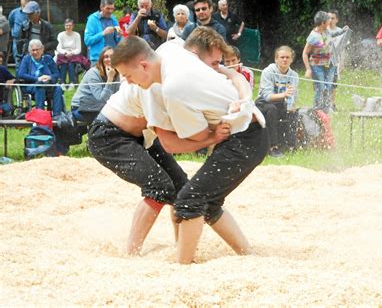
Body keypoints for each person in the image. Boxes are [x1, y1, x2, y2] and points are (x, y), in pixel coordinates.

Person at [87, 29, 256, 257]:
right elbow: (169, 143)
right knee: (160, 187)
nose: (216, 67)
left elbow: (231, 75)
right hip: (108, 137)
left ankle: (181, 249)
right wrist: (210, 137)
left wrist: (243, 100)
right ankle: (131, 253)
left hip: (139, 136)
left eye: (126, 75)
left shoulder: (174, 54)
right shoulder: (156, 86)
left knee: (183, 190)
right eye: (214, 63)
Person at [256, 45, 299, 157]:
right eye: (282, 57)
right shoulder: (268, 72)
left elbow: (293, 96)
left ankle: (290, 145)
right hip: (263, 104)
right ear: (276, 59)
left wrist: (291, 106)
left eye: (287, 57)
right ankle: (273, 147)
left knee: (294, 112)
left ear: (291, 59)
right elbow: (266, 96)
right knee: (272, 109)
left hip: (281, 103)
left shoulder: (294, 75)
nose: (284, 60)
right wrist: (284, 95)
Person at [71, 46, 120, 124]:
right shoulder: (93, 73)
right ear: (101, 60)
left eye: (112, 56)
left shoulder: (117, 73)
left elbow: (118, 95)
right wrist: (110, 79)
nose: (109, 59)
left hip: (100, 107)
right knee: (111, 118)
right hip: (82, 108)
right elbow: (101, 99)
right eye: (106, 57)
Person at [17, 39, 63, 117]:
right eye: (33, 50)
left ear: (42, 50)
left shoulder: (48, 59)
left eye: (37, 50)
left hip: (48, 85)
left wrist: (49, 77)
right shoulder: (26, 59)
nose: (35, 52)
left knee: (57, 88)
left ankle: (57, 115)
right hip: (31, 85)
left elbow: (57, 74)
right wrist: (37, 79)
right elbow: (21, 74)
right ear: (30, 51)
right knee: (40, 86)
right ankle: (40, 115)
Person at [302, 11, 334, 113]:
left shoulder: (327, 31)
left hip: (329, 65)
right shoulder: (313, 36)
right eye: (328, 19)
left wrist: (343, 31)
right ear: (323, 22)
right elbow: (305, 53)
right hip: (317, 66)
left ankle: (326, 110)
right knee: (320, 88)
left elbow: (335, 33)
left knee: (328, 87)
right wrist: (308, 69)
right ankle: (316, 110)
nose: (330, 21)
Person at [84, 0, 122, 65]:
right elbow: (87, 40)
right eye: (108, 8)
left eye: (112, 9)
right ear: (101, 7)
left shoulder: (114, 19)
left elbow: (119, 40)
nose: (110, 11)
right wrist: (103, 33)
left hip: (112, 58)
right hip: (97, 59)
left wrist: (119, 35)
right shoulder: (92, 19)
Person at [327, 9, 350, 110]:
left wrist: (342, 63)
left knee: (333, 83)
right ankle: (324, 103)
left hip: (335, 61)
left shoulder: (341, 32)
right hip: (323, 61)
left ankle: (332, 103)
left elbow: (344, 49)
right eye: (328, 18)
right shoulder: (322, 30)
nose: (330, 20)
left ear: (337, 20)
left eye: (332, 18)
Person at [56, 18, 87, 91]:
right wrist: (65, 52)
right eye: (66, 25)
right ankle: (62, 82)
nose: (68, 27)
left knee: (71, 63)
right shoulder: (60, 35)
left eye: (70, 25)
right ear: (64, 26)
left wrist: (71, 53)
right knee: (64, 63)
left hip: (74, 54)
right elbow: (59, 48)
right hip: (63, 54)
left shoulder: (77, 35)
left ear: (73, 26)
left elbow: (78, 49)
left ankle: (72, 83)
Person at [8, 0, 31, 68]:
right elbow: (10, 23)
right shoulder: (14, 12)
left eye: (28, 0)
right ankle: (18, 79)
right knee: (18, 61)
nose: (27, 1)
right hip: (17, 40)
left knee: (28, 61)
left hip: (28, 40)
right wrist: (13, 32)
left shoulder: (32, 13)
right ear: (21, 0)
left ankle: (28, 79)